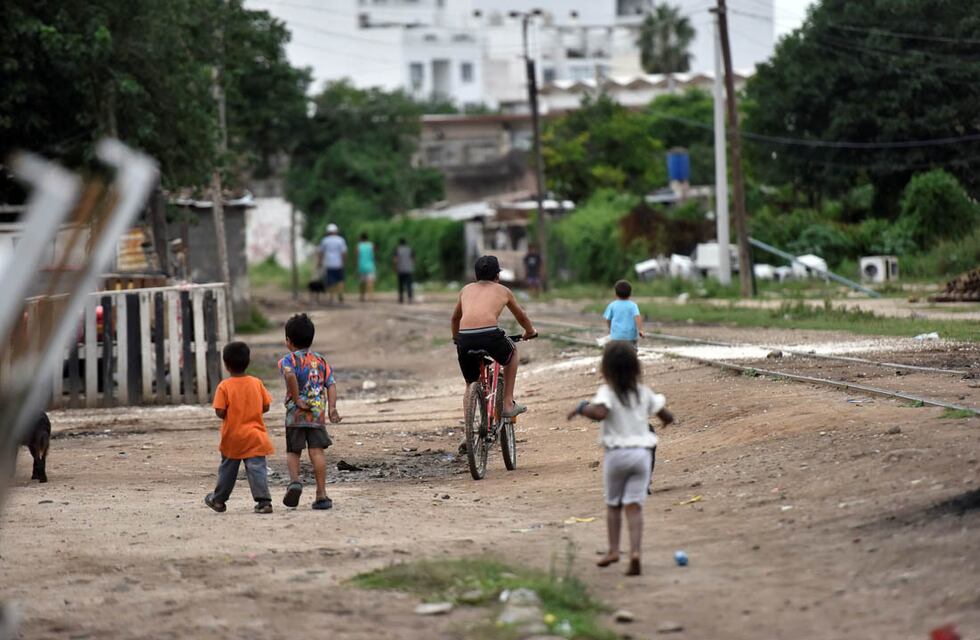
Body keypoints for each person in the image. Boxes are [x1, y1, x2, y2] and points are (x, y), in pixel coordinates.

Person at [567, 342, 675, 576]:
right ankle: (635, 552)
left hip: (616, 456)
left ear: (605, 370)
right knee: (634, 507)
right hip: (642, 456)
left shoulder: (607, 392)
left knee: (614, 505)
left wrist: (581, 408)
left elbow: (600, 414)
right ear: (636, 368)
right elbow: (665, 414)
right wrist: (666, 420)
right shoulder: (643, 391)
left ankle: (614, 550)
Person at [451, 255, 537, 418]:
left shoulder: (466, 290)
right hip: (489, 334)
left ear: (476, 276)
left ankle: (469, 430)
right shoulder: (503, 290)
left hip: (465, 338)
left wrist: (457, 339)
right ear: (497, 276)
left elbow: (455, 318)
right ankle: (507, 403)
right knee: (512, 353)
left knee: (470, 383)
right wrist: (530, 331)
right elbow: (521, 316)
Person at [278, 313, 342, 510]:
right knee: (317, 452)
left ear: (288, 341)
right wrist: (332, 408)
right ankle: (321, 494)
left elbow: (289, 377)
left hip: (295, 415)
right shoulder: (321, 361)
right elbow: (331, 385)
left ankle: (295, 481)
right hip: (316, 415)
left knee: (293, 451)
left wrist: (297, 399)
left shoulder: (287, 361)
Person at [205, 341, 275, 514]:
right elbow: (266, 406)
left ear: (226, 365)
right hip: (255, 436)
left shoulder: (224, 386)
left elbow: (220, 411)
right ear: (248, 362)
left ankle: (219, 500)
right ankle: (264, 502)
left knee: (227, 471)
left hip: (233, 437)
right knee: (257, 469)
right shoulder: (256, 383)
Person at [603, 280, 643, 347]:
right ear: (630, 294)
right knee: (632, 350)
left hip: (616, 336)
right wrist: (640, 330)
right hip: (630, 336)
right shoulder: (633, 305)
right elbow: (637, 317)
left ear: (615, 294)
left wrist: (610, 328)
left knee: (616, 351)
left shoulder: (612, 305)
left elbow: (608, 319)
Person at [318, 223, 348, 304]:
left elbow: (321, 252)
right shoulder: (341, 240)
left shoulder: (324, 240)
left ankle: (331, 297)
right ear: (336, 231)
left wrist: (319, 262)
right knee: (340, 280)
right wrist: (344, 262)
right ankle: (340, 293)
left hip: (329, 263)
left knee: (330, 281)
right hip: (339, 263)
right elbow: (344, 252)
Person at [393, 238, 415, 304]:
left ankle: (401, 298)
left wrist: (395, 267)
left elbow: (395, 260)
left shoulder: (397, 249)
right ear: (406, 243)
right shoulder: (410, 249)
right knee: (409, 284)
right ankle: (410, 298)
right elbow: (413, 259)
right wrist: (411, 265)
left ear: (399, 243)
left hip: (400, 269)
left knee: (400, 284)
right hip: (408, 269)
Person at [357, 232, 376, 302]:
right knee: (370, 282)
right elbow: (373, 253)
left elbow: (357, 256)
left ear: (361, 238)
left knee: (362, 283)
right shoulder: (371, 245)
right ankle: (371, 296)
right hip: (370, 265)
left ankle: (362, 296)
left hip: (361, 266)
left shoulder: (359, 246)